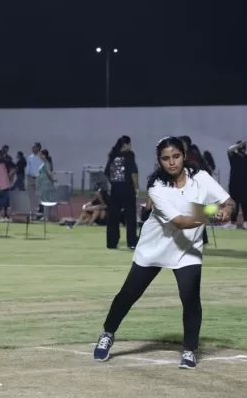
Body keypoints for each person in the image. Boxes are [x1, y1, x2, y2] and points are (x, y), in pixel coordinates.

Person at [93, 136, 233, 369]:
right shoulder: (157, 187)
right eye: (166, 158)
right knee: (128, 295)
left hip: (187, 249)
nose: (172, 163)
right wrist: (212, 214)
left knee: (190, 298)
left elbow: (227, 202)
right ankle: (108, 333)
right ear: (159, 161)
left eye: (176, 156)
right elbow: (181, 220)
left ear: (184, 155)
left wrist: (226, 209)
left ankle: (189, 349)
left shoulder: (202, 179)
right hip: (154, 248)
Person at [104, 135, 139, 249]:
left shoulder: (112, 156)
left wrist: (114, 183)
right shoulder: (129, 155)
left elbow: (107, 172)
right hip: (127, 188)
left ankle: (111, 242)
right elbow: (133, 172)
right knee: (130, 217)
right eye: (129, 144)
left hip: (115, 189)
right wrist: (136, 187)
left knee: (113, 217)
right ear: (126, 144)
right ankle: (132, 242)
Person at [225, 140, 247, 229]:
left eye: (245, 147)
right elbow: (229, 150)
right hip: (234, 185)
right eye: (242, 147)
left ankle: (246, 222)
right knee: (234, 205)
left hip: (246, 185)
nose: (243, 148)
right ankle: (233, 222)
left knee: (245, 204)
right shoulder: (234, 156)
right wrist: (239, 144)